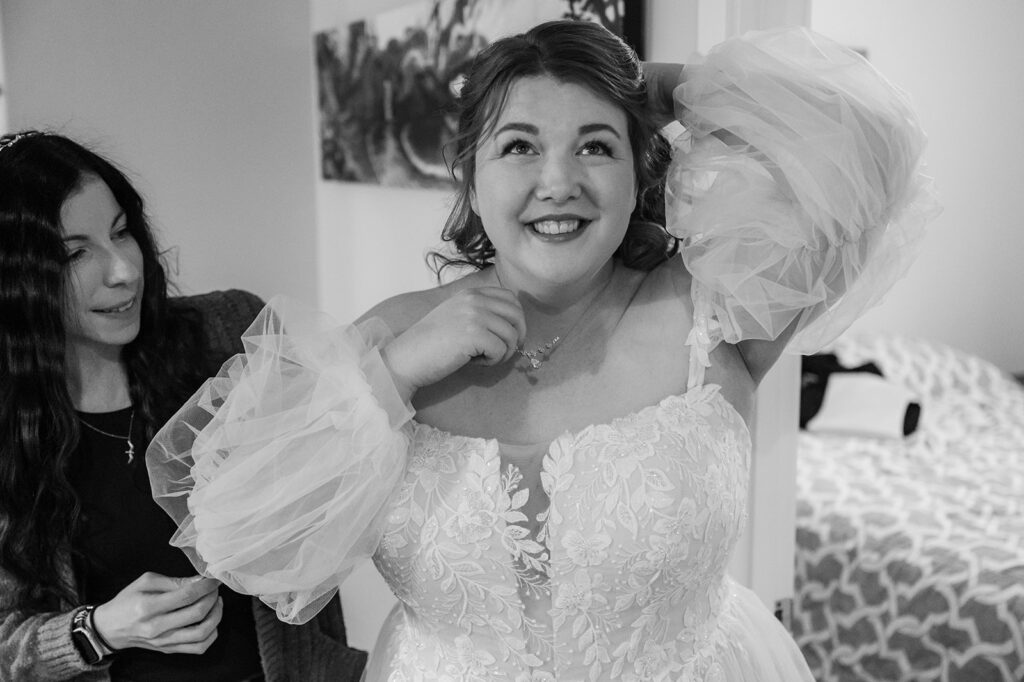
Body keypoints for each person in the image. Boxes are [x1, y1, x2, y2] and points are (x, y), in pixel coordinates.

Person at [147, 20, 935, 681]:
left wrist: (659, 88)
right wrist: (394, 377)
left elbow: (870, 147)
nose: (558, 180)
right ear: (471, 175)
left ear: (640, 169)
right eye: (519, 146)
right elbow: (238, 537)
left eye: (596, 147)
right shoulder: (394, 332)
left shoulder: (717, 307)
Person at [0, 131, 367, 681]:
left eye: (121, 232)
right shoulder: (9, 424)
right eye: (75, 253)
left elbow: (342, 480)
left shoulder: (229, 333)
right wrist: (94, 631)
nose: (124, 269)